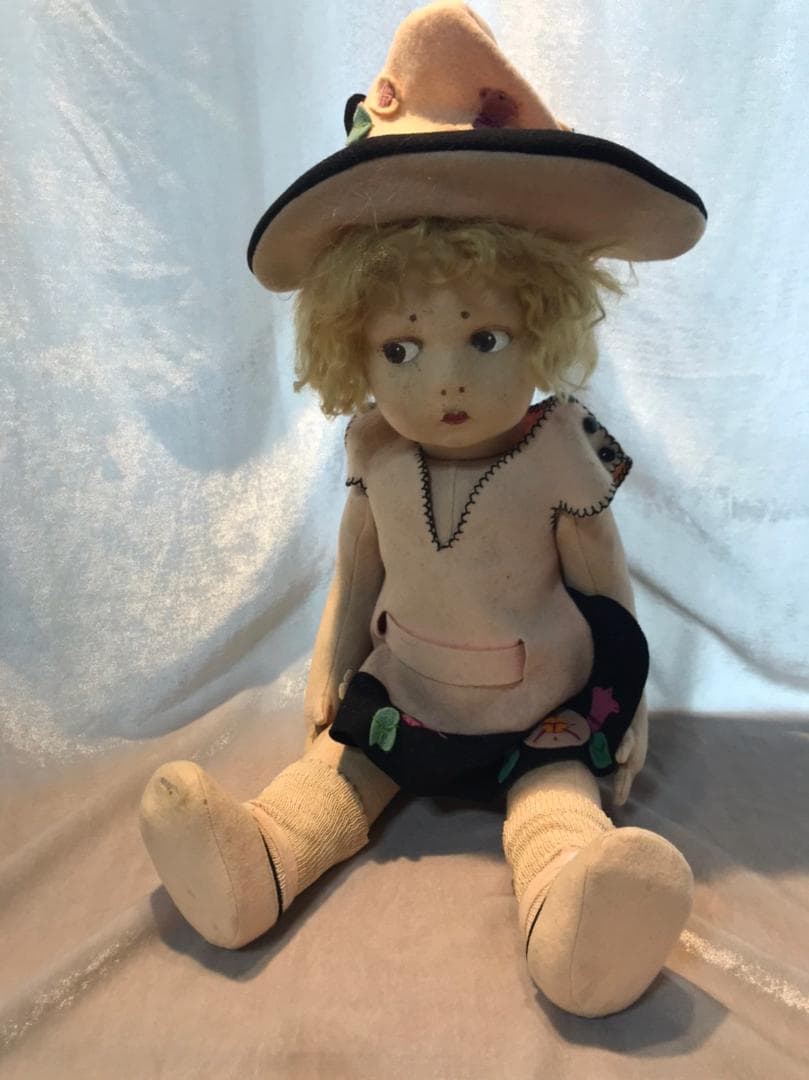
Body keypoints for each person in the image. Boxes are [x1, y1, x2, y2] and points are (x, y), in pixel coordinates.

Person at [140, 1, 707, 1018]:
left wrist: (624, 705)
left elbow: (605, 592)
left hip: (539, 705)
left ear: (541, 325)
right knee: (336, 776)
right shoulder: (374, 449)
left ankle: (574, 920)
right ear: (350, 347)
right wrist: (330, 660)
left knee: (553, 801)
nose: (442, 380)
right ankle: (254, 864)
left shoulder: (557, 450)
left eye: (483, 339)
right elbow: (358, 565)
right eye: (399, 349)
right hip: (403, 689)